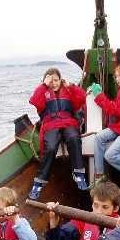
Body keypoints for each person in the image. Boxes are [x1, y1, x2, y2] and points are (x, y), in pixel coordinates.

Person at [28, 67, 87, 200]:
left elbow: (82, 97)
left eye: (56, 80)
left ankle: (79, 174)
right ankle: (39, 183)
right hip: (50, 124)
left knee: (73, 138)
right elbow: (35, 101)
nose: (54, 83)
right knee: (50, 147)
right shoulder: (43, 92)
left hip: (68, 122)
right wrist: (43, 85)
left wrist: (71, 86)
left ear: (61, 80)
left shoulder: (67, 90)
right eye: (50, 80)